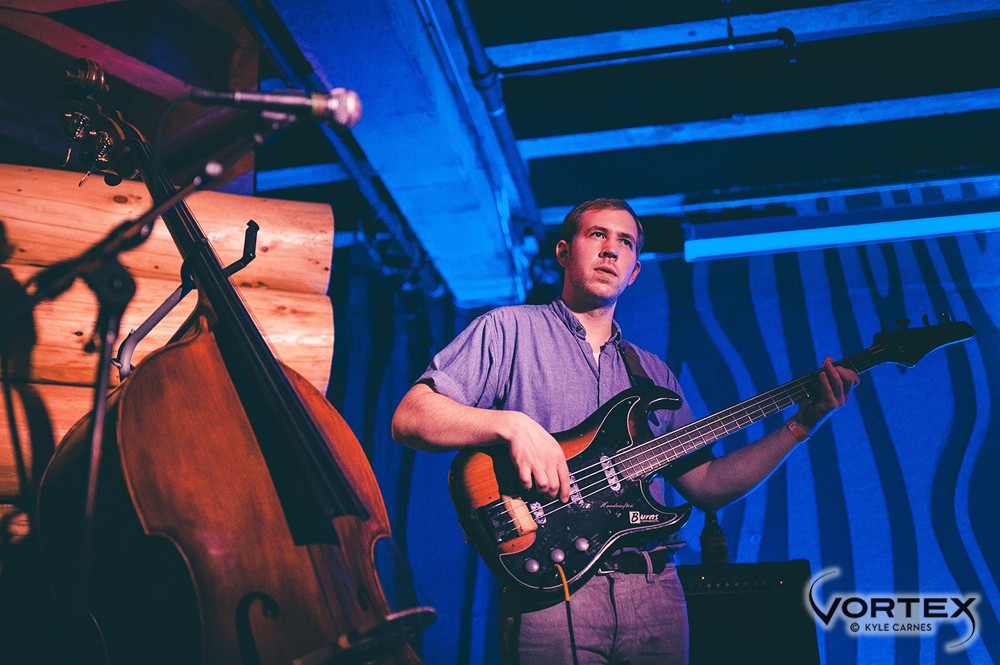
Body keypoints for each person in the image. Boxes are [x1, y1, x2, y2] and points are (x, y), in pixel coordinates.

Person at [392, 198, 858, 665]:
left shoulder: (652, 376)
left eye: (625, 242)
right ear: (563, 251)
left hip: (656, 593)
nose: (611, 250)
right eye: (597, 235)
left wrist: (802, 424)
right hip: (553, 591)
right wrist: (510, 424)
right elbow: (411, 417)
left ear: (634, 271)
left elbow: (707, 486)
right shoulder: (507, 329)